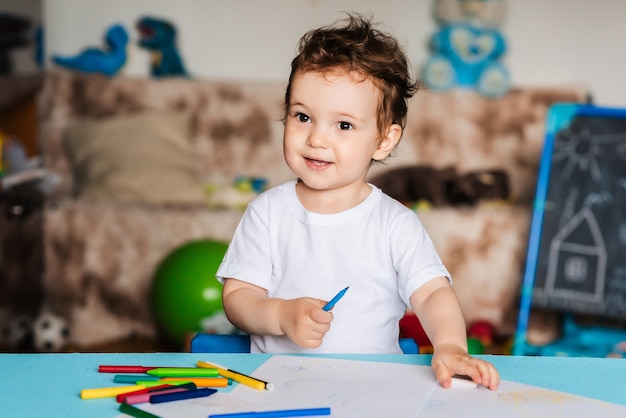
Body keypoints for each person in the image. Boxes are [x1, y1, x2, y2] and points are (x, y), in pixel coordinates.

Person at [216, 13, 499, 391]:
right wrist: (280, 315)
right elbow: (238, 298)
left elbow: (431, 292)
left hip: (375, 388)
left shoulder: (394, 222)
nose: (317, 139)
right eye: (303, 116)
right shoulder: (268, 213)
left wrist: (450, 345)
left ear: (384, 141)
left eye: (343, 125)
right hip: (276, 385)